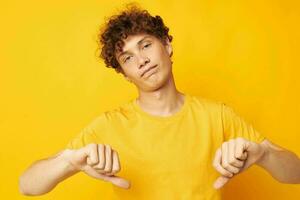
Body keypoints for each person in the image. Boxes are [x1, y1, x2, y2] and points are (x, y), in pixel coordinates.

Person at [19, 4, 300, 199]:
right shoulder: (109, 125)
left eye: (146, 45)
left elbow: (295, 173)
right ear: (125, 73)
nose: (141, 60)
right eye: (127, 58)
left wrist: (263, 155)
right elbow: (27, 185)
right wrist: (70, 162)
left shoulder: (218, 116)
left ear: (166, 45)